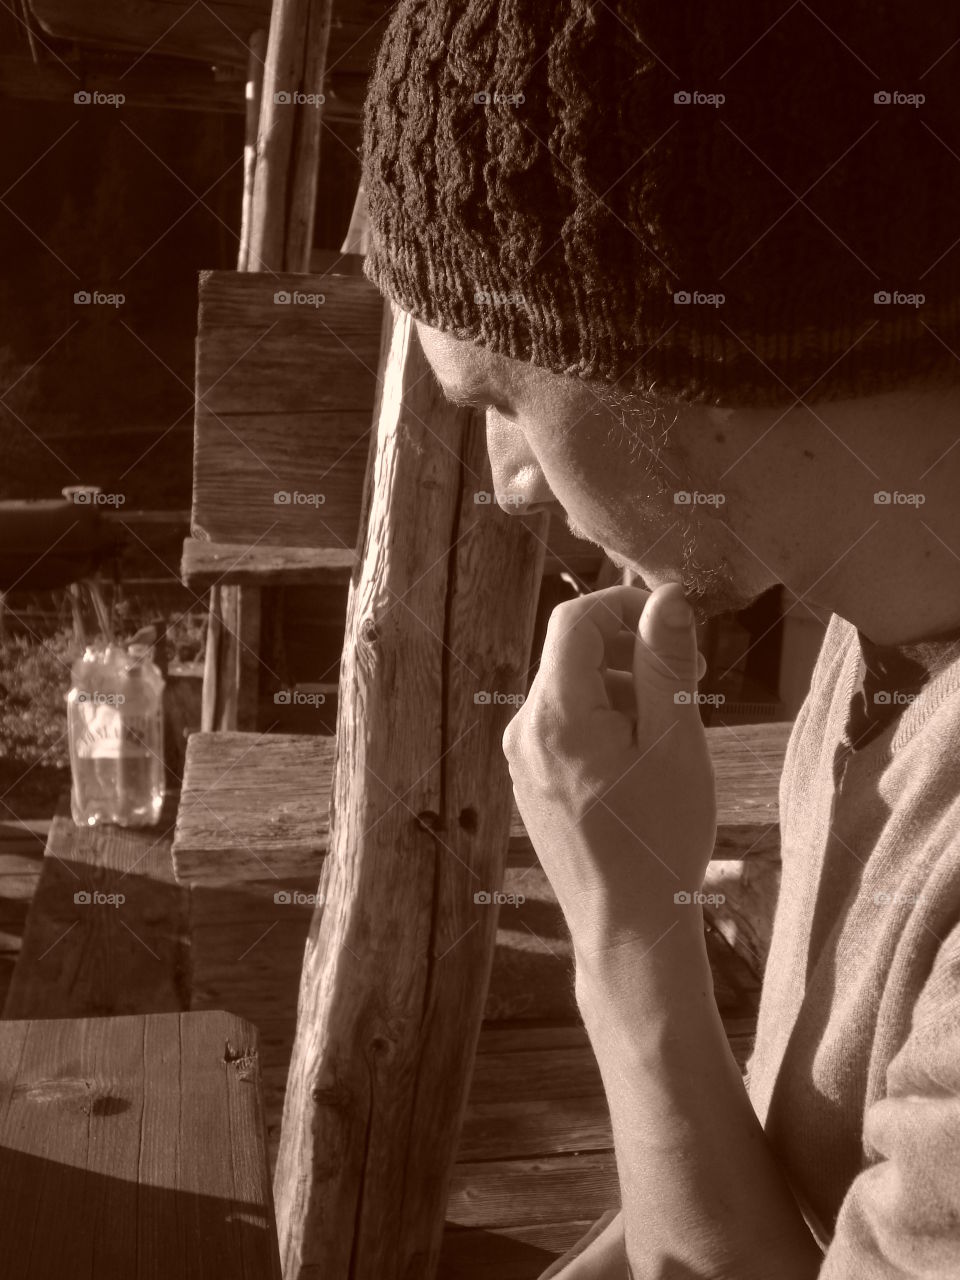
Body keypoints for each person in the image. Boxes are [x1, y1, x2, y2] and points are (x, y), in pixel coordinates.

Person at [359, 3, 960, 1276]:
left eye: (498, 399)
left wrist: (632, 938)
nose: (508, 483)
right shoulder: (881, 631)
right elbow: (768, 1184)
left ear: (677, 332)